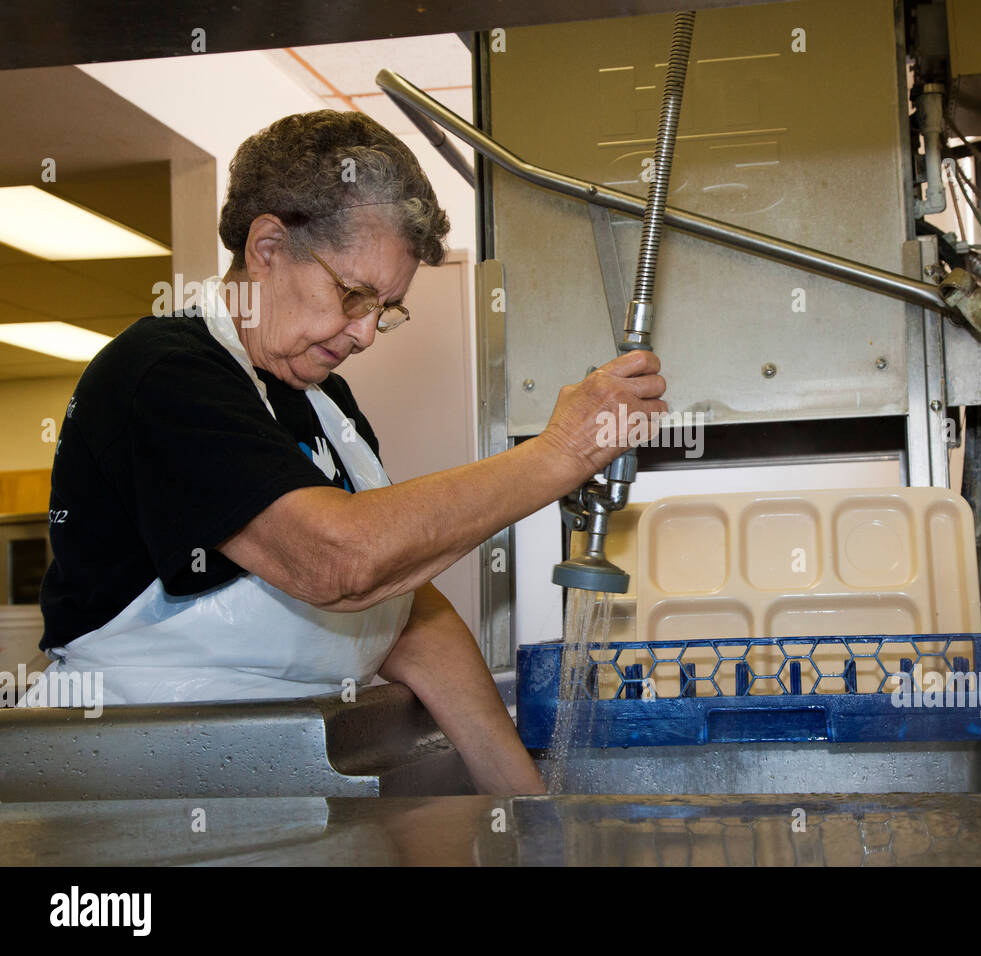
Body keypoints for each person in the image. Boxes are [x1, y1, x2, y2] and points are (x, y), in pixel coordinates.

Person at [32, 110, 667, 794]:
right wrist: (561, 452)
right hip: (137, 791)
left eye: (385, 310)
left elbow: (408, 617)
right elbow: (338, 561)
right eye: (353, 295)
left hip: (265, 778)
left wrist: (530, 808)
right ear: (268, 247)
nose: (365, 334)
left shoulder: (324, 404)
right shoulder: (163, 375)